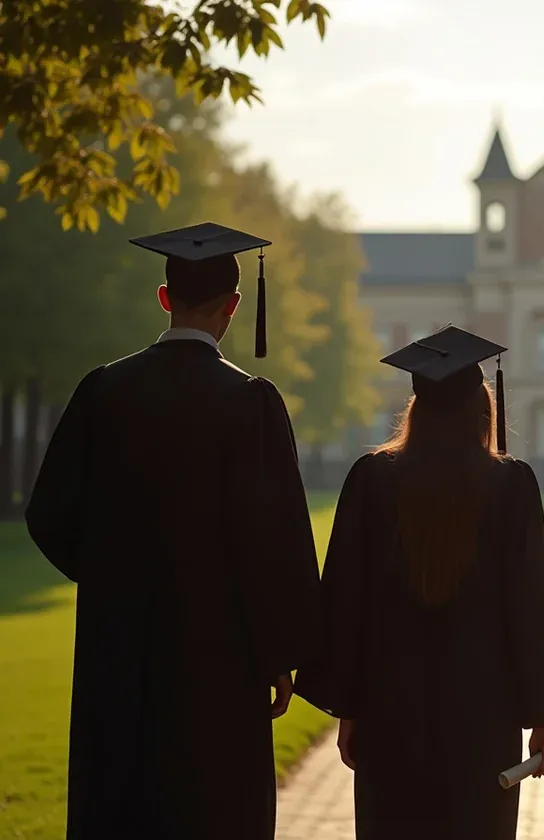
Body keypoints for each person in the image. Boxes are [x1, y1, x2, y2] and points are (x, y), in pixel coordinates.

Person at [25, 222, 324, 840]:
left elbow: (48, 515)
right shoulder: (250, 404)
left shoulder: (103, 391)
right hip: (219, 665)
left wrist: (114, 574)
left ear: (164, 299)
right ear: (234, 307)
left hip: (119, 655)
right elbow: (276, 543)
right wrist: (280, 655)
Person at [294, 325, 544, 840]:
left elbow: (345, 602)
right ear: (482, 410)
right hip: (482, 716)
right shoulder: (509, 486)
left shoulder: (372, 480)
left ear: (415, 408)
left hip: (390, 711)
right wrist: (542, 715)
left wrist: (350, 707)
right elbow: (530, 606)